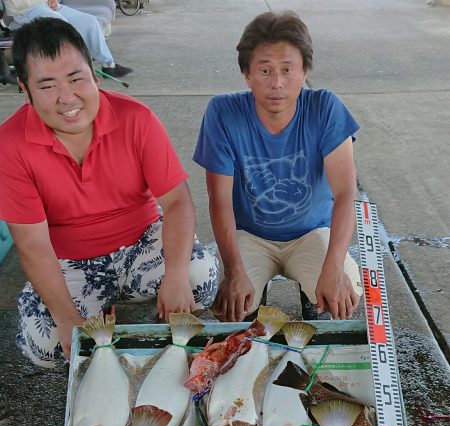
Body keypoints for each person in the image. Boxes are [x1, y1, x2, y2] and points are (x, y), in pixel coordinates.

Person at [0, 17, 218, 367]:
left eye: (76, 79)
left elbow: (177, 201)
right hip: (70, 260)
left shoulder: (136, 118)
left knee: (198, 279)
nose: (67, 97)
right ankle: (99, 309)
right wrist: (66, 317)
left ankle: (151, 305)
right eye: (47, 86)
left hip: (143, 239)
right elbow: (33, 244)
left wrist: (175, 276)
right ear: (24, 89)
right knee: (45, 344)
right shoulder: (9, 145)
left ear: (95, 73)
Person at [193, 11, 363, 322]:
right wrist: (234, 272)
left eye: (287, 69)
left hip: (312, 232)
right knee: (229, 307)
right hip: (251, 235)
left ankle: (314, 299)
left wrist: (334, 268)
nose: (277, 83)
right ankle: (255, 302)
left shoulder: (325, 108)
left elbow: (346, 194)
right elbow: (219, 202)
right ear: (247, 74)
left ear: (304, 71)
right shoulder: (222, 113)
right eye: (265, 70)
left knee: (345, 290)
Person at [3, 0, 132, 77]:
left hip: (45, 6)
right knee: (63, 26)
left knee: (89, 21)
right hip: (22, 12)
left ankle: (109, 65)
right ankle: (75, 68)